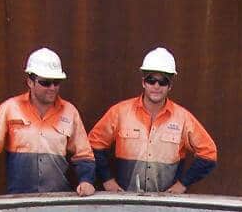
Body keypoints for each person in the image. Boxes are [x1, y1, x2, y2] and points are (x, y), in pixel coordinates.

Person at [89, 48, 217, 194]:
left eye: (163, 82)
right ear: (143, 82)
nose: (156, 86)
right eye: (151, 80)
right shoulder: (119, 113)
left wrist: (183, 184)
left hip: (166, 205)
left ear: (170, 86)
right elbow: (93, 143)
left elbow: (209, 153)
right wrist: (107, 180)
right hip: (125, 200)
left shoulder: (183, 118)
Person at [0, 48, 96, 196]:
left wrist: (86, 180)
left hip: (57, 200)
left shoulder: (70, 112)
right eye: (45, 83)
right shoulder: (10, 108)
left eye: (57, 83)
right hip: (19, 200)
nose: (52, 88)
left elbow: (84, 155)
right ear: (30, 82)